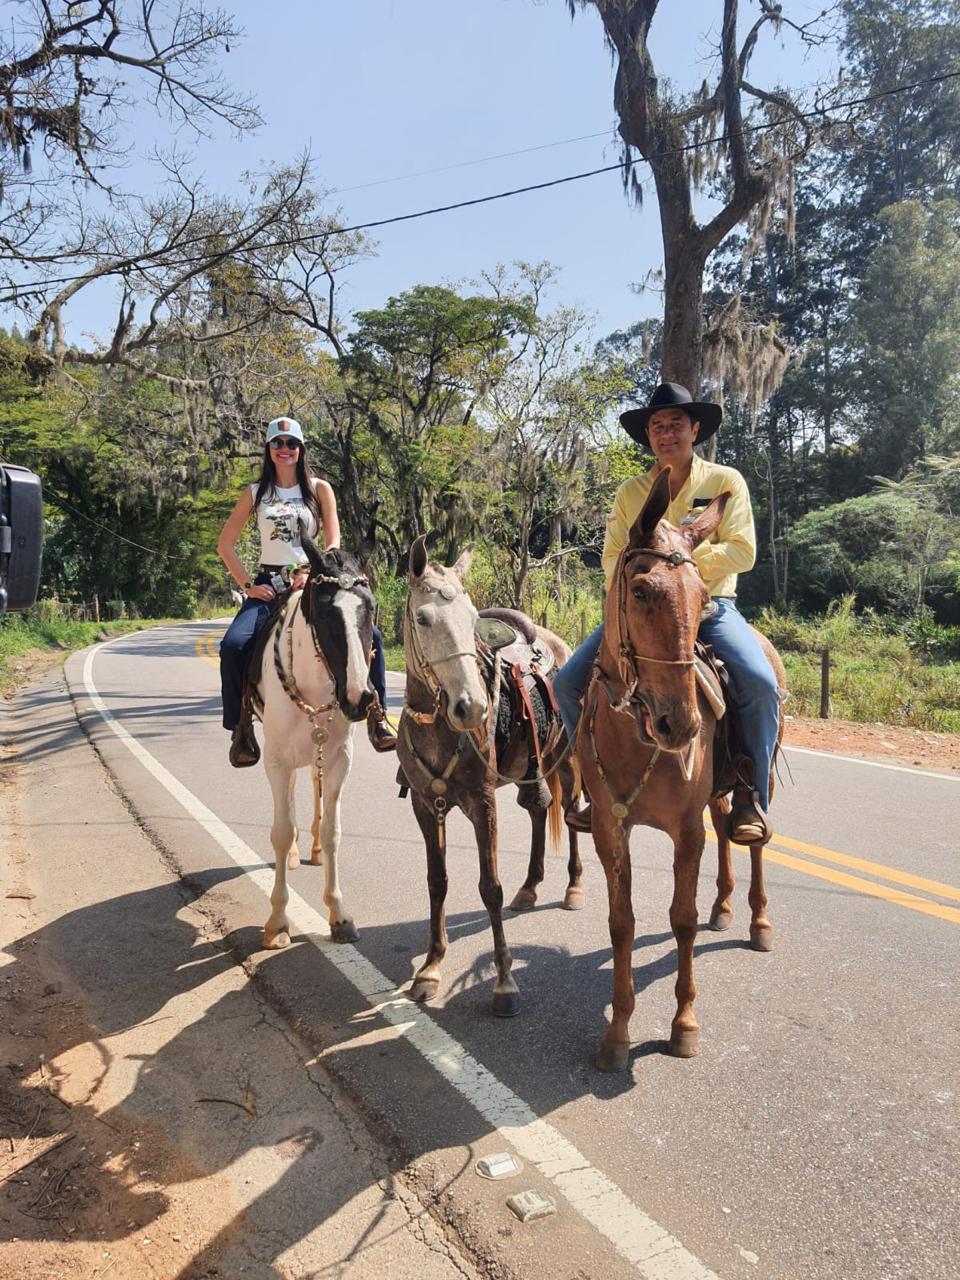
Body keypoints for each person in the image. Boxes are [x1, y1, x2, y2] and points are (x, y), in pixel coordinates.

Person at [553, 382, 781, 845]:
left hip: (710, 607)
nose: (666, 433)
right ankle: (594, 788)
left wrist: (680, 564)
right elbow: (612, 559)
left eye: (676, 424)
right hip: (640, 610)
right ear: (649, 436)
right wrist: (653, 578)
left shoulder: (725, 482)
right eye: (657, 426)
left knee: (760, 683)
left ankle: (749, 794)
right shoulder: (630, 493)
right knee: (566, 685)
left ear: (695, 430)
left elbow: (743, 551)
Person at [217, 416, 396, 766]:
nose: (284, 449)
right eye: (277, 443)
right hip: (270, 585)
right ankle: (241, 727)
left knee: (371, 636)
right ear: (268, 449)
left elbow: (333, 539)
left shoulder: (319, 488)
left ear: (301, 449)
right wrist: (249, 586)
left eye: (291, 443)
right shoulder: (255, 493)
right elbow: (225, 545)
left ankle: (377, 715)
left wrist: (312, 569)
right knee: (233, 645)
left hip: (315, 579)